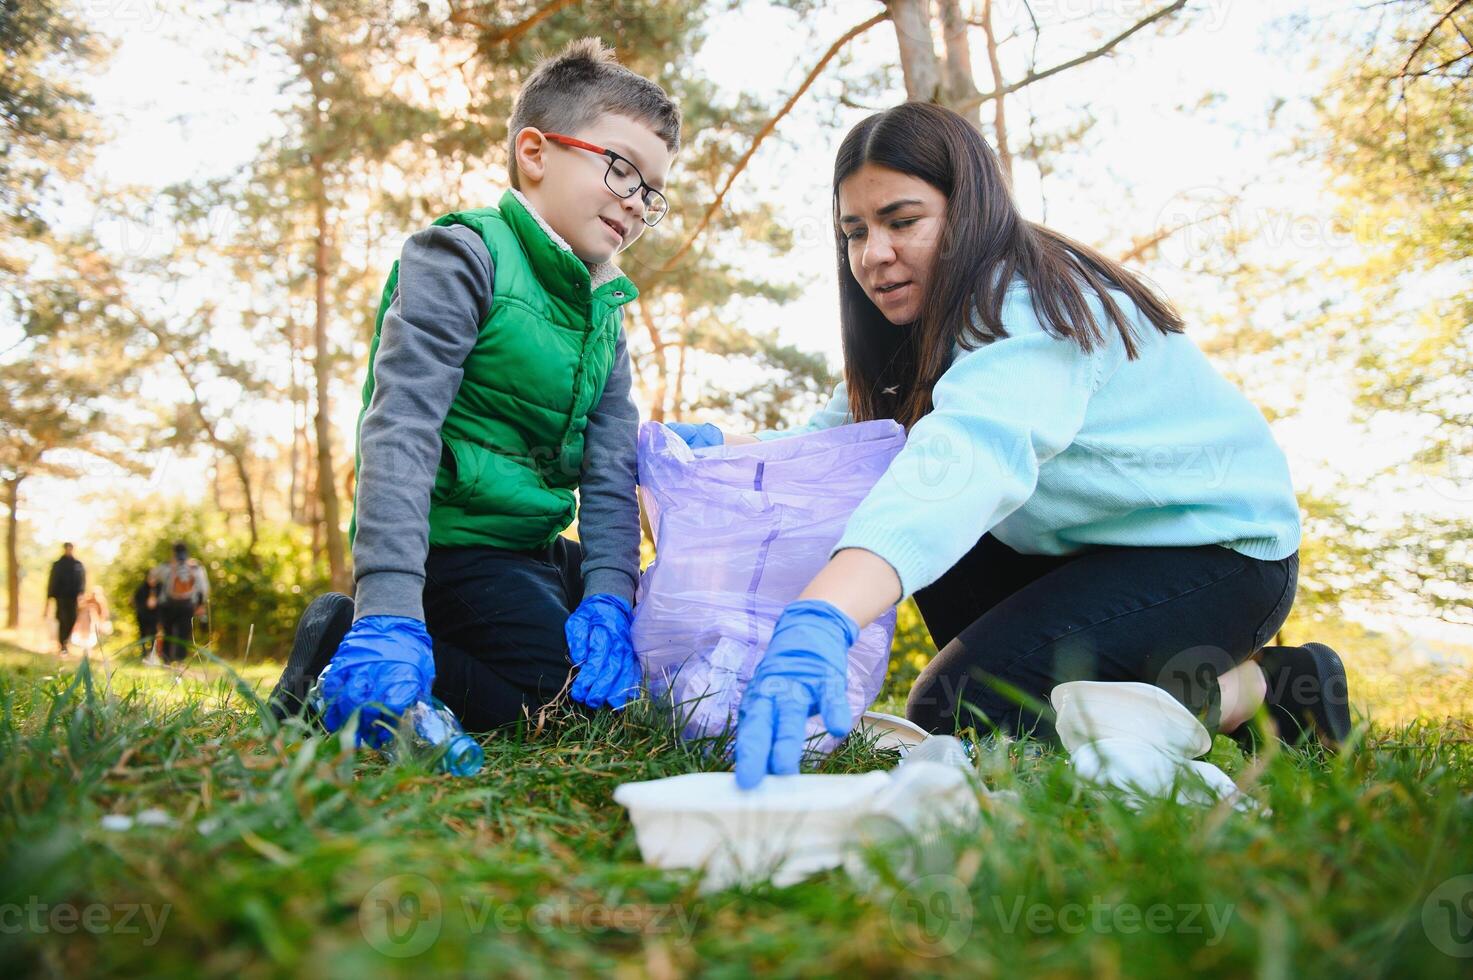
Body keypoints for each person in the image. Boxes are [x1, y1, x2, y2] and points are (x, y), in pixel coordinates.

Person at [671, 103, 1350, 789]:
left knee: (970, 711)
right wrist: (707, 450)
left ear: (966, 211)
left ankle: (1272, 686)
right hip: (1077, 554)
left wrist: (822, 616)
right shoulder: (917, 328)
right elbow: (835, 449)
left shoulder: (1032, 307)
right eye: (855, 232)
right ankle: (1098, 695)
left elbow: (962, 465)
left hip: (1216, 557)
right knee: (967, 670)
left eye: (902, 222)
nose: (874, 254)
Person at [268, 38, 680, 738]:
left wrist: (610, 597)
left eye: (652, 191)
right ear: (534, 152)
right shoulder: (462, 254)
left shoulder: (603, 314)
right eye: (620, 169)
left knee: (646, 667)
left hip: (531, 548)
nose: (636, 204)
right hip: (448, 548)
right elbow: (400, 428)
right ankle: (346, 650)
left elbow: (611, 475)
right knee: (569, 712)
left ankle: (453, 675)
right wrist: (390, 605)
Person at [154, 542, 209, 664]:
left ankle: (167, 660)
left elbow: (153, 578)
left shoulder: (166, 566)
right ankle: (180, 660)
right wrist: (201, 605)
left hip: (168, 604)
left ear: (173, 553)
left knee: (168, 632)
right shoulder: (196, 567)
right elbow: (203, 588)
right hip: (187, 604)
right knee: (184, 633)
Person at [45, 543, 86, 656]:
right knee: (62, 619)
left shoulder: (78, 565)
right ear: (64, 549)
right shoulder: (58, 564)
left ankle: (65, 641)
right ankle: (62, 644)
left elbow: (82, 581)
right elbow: (52, 580)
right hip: (61, 597)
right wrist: (49, 597)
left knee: (72, 619)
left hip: (73, 598)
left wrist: (81, 595)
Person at [70, 586, 112, 653]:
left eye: (97, 594)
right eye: (94, 594)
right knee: (87, 614)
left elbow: (103, 616)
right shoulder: (87, 601)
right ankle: (85, 641)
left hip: (96, 623)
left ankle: (88, 643)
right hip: (86, 623)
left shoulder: (101, 603)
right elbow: (80, 610)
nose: (95, 596)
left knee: (91, 616)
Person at [132, 569, 161, 659]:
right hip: (143, 615)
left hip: (155, 616)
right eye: (150, 578)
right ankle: (144, 653)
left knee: (153, 634)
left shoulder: (160, 588)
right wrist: (145, 605)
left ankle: (152, 653)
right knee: (143, 634)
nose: (152, 580)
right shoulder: (141, 589)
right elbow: (136, 601)